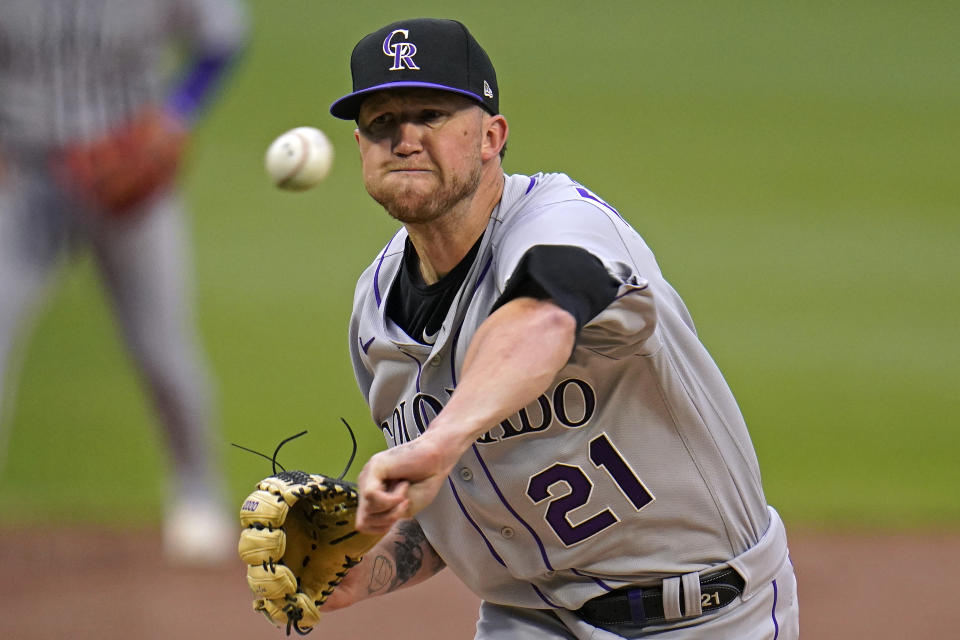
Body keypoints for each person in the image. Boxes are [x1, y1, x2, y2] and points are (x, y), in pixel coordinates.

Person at [325, 18, 799, 639]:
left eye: (431, 114)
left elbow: (542, 317)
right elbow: (464, 501)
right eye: (381, 122)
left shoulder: (565, 223)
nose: (405, 138)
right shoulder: (376, 309)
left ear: (492, 136)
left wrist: (438, 442)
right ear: (361, 147)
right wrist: (375, 567)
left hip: (704, 617)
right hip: (529, 622)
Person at [0, 0, 248, 565]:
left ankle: (197, 490)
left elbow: (223, 35)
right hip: (21, 177)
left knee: (162, 349)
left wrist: (174, 115)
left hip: (127, 175)